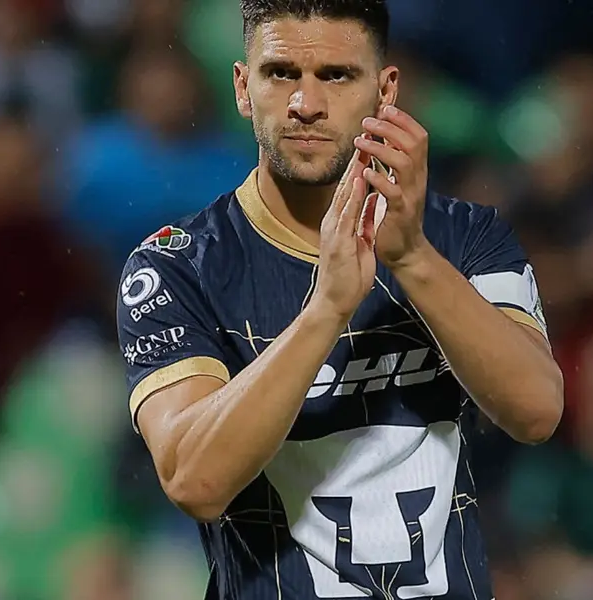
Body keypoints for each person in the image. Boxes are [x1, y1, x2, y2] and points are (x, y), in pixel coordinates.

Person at [116, 1, 564, 598]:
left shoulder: (465, 238)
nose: (305, 104)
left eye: (336, 75)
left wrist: (412, 260)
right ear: (243, 88)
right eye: (281, 74)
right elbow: (194, 481)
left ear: (386, 91)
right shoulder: (176, 267)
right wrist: (326, 309)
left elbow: (536, 411)